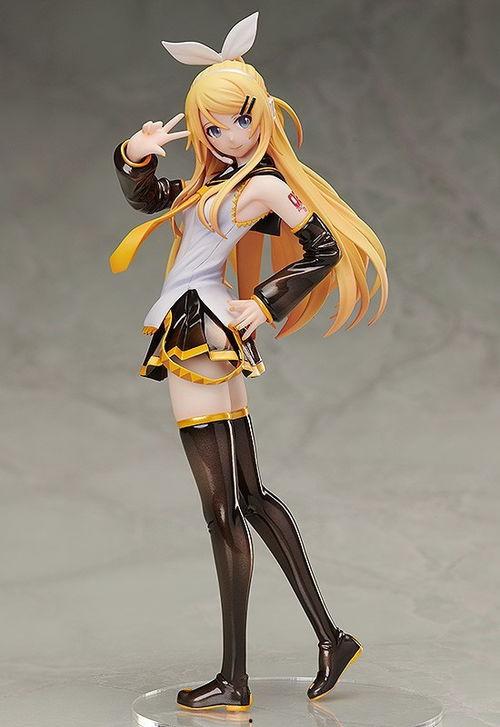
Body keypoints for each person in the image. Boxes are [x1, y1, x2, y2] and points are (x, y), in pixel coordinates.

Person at [111, 11, 388, 713]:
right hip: (200, 329)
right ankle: (332, 637)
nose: (228, 135)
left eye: (239, 120)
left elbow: (323, 247)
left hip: (200, 335)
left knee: (223, 510)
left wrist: (264, 302)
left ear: (260, 115)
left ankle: (235, 678)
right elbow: (151, 201)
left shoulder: (260, 187)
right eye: (212, 127)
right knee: (250, 498)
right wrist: (137, 155)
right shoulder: (214, 186)